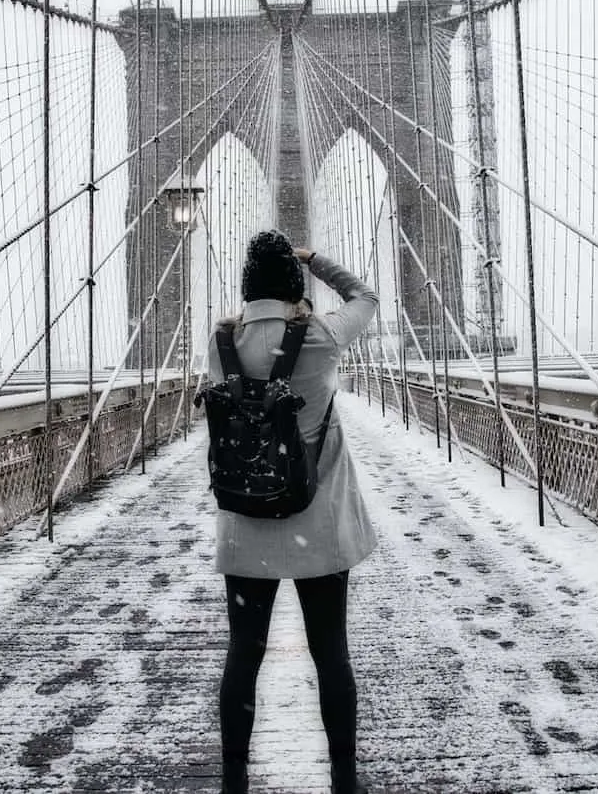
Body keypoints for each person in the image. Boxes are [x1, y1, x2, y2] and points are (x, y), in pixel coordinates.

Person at [208, 229, 379, 794]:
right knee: (331, 655)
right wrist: (315, 260)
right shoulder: (323, 337)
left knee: (243, 656)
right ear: (293, 283)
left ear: (246, 286)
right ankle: (344, 781)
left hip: (245, 524)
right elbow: (366, 297)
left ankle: (234, 780)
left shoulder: (220, 344)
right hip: (318, 526)